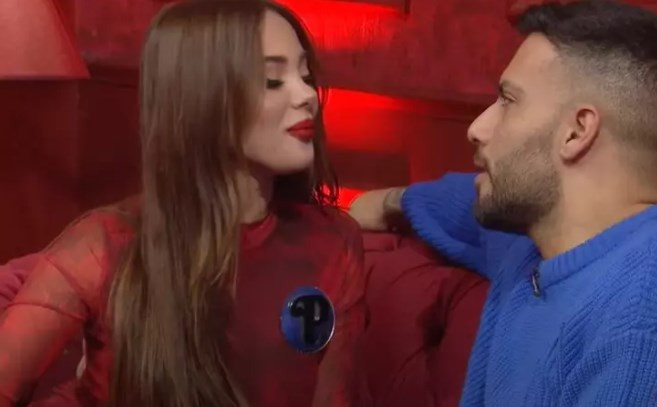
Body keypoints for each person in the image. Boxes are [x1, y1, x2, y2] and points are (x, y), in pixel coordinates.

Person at [0, 1, 369, 406]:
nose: (308, 96)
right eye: (272, 80)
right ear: (201, 98)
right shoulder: (104, 245)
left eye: (306, 75)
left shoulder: (333, 243)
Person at [350, 1, 657, 406]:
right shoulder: (532, 237)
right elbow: (463, 202)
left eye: (509, 100)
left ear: (576, 132)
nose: (477, 128)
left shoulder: (637, 324)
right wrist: (389, 201)